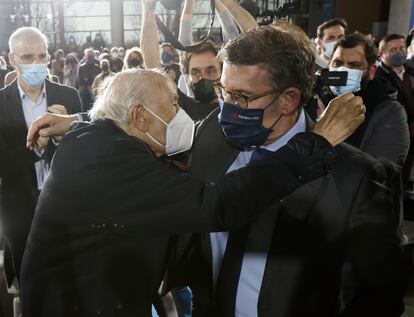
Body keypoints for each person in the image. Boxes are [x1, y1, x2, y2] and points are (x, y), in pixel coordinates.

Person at [21, 68, 362, 317]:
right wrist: (316, 143)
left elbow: (108, 124)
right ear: (140, 117)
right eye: (172, 105)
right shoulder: (112, 164)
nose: (182, 115)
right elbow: (218, 204)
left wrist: (79, 119)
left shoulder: (96, 137)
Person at [178, 22, 403, 316]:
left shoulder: (353, 176)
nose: (226, 108)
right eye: (224, 91)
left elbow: (380, 297)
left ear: (289, 99)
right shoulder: (210, 137)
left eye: (242, 97)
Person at [0, 27, 81, 288]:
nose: (37, 63)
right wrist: (35, 146)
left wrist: (66, 136)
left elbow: (85, 155)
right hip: (20, 209)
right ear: (12, 59)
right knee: (30, 282)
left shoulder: (68, 97)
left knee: (71, 279)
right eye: (28, 57)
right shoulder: (1, 103)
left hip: (66, 204)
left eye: (42, 56)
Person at [317, 33, 410, 166]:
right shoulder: (316, 100)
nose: (343, 70)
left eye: (354, 65)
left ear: (371, 71)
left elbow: (378, 173)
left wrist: (328, 137)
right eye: (337, 63)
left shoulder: (391, 113)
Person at [376, 34, 414, 137]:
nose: (399, 52)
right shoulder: (376, 77)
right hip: (393, 131)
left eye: (402, 48)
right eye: (393, 50)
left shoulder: (411, 70)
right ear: (380, 54)